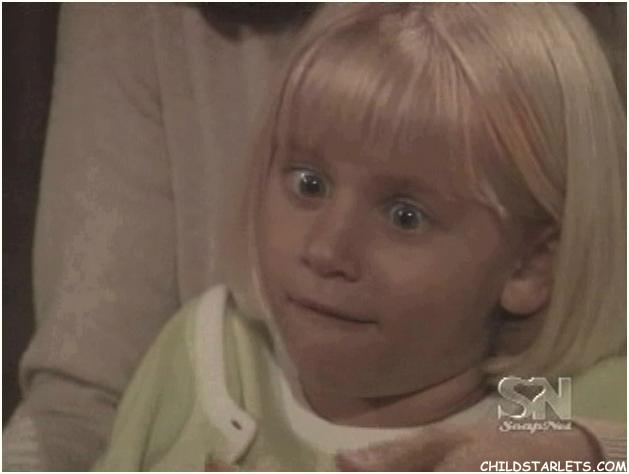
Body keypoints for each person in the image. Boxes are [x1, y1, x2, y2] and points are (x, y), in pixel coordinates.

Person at [91, 4, 626, 471]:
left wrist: (586, 451)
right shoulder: (214, 354)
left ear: (529, 264)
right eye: (309, 185)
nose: (326, 249)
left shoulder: (541, 406)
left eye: (405, 217)